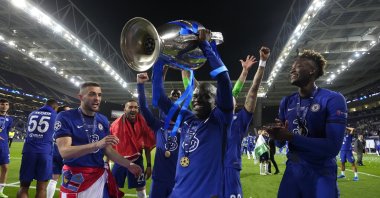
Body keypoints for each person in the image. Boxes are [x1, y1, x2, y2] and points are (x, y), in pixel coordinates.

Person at [155, 29, 233, 197]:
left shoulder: (220, 119)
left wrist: (205, 45)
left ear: (216, 101)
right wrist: (159, 66)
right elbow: (160, 100)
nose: (198, 99)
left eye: (206, 96)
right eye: (196, 96)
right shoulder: (187, 118)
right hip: (178, 193)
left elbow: (224, 80)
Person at [267, 50, 348, 198]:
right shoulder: (287, 101)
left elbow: (333, 148)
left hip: (321, 172)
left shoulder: (333, 99)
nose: (291, 69)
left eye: (297, 66)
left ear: (312, 70)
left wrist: (291, 137)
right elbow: (279, 145)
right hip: (293, 171)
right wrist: (278, 136)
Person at [54, 82, 142, 197]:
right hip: (75, 178)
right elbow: (65, 152)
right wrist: (97, 144)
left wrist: (128, 165)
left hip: (98, 176)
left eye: (99, 95)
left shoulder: (102, 120)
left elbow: (108, 150)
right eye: (92, 94)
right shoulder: (66, 116)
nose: (97, 98)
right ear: (81, 97)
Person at [224, 46, 270, 197]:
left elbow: (253, 91)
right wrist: (187, 67)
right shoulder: (212, 118)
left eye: (231, 97)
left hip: (230, 169)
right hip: (209, 170)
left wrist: (262, 63)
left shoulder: (239, 120)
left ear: (235, 104)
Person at [137, 72, 182, 197]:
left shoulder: (185, 126)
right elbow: (144, 108)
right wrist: (140, 85)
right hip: (159, 180)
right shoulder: (158, 125)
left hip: (178, 179)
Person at [110, 99, 155, 198]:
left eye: (135, 107)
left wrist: (148, 165)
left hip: (137, 160)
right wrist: (106, 163)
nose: (133, 109)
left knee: (140, 186)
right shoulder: (115, 126)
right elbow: (109, 146)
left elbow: (147, 145)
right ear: (125, 109)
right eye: (130, 107)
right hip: (120, 160)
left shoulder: (143, 123)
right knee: (113, 186)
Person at [17, 99, 59, 198]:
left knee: (23, 187)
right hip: (45, 152)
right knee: (41, 188)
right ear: (55, 107)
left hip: (29, 151)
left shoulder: (32, 114)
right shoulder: (56, 116)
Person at [46, 105, 71, 198]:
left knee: (54, 180)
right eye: (68, 111)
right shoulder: (68, 124)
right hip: (66, 155)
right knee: (68, 181)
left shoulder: (55, 124)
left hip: (56, 153)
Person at [0, 99, 13, 198]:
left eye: (6, 104)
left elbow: (7, 132)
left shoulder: (10, 119)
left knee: (5, 167)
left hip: (3, 146)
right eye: (2, 104)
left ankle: (0, 191)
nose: (4, 106)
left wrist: (8, 145)